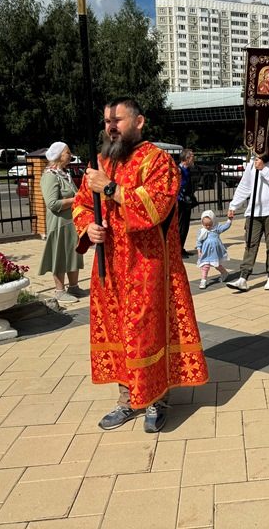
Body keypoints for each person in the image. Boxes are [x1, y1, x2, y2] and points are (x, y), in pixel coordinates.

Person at [73, 97, 209, 433]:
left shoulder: (157, 161)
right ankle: (127, 398)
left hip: (147, 266)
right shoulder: (101, 161)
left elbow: (156, 207)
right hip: (110, 266)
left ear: (139, 122)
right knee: (117, 332)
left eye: (117, 120)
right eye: (107, 121)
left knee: (146, 333)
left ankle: (155, 400)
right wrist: (88, 227)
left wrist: (109, 187)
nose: (111, 127)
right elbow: (82, 204)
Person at [226, 151, 269, 291]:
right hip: (254, 210)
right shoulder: (252, 162)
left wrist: (263, 169)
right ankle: (243, 277)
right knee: (250, 242)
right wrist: (234, 205)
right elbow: (245, 185)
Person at [38, 141, 84, 304]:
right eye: (68, 152)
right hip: (59, 224)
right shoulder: (50, 176)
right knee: (60, 255)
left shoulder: (64, 174)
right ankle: (59, 291)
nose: (70, 155)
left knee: (74, 253)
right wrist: (76, 199)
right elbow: (52, 204)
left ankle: (73, 286)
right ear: (58, 155)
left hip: (71, 221)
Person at [195, 209, 232, 288]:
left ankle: (224, 273)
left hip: (215, 252)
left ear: (213, 222)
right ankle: (203, 280)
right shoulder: (201, 231)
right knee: (205, 266)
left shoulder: (216, 228)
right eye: (205, 225)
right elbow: (199, 242)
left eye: (209, 224)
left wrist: (229, 220)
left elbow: (225, 227)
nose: (207, 227)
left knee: (217, 265)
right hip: (205, 252)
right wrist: (199, 250)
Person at [177, 148, 196, 257]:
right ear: (187, 158)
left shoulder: (188, 170)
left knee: (185, 226)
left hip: (186, 201)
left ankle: (181, 247)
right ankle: (178, 250)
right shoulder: (179, 170)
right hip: (181, 201)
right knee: (181, 225)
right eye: (192, 156)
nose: (194, 158)